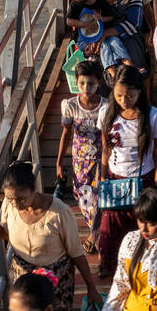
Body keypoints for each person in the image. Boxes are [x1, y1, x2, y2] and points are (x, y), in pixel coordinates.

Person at [0, 160, 100, 311]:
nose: (16, 204)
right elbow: (6, 232)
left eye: (21, 199)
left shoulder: (59, 213)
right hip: (24, 276)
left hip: (56, 280)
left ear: (34, 189)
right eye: (11, 199)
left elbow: (76, 254)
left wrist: (92, 287)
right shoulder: (10, 206)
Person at [96, 66, 157, 279]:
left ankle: (141, 269)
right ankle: (108, 266)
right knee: (109, 228)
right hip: (115, 180)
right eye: (119, 95)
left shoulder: (153, 117)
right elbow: (105, 150)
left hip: (143, 180)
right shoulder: (106, 113)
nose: (124, 100)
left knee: (142, 228)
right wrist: (102, 177)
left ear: (140, 92)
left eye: (130, 95)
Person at [56, 57, 104, 252]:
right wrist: (59, 162)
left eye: (91, 83)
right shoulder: (70, 105)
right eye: (82, 83)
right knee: (84, 198)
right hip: (80, 161)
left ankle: (95, 234)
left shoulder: (106, 106)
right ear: (76, 83)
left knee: (100, 196)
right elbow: (66, 133)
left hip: (102, 159)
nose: (86, 87)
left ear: (99, 83)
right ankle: (96, 229)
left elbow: (109, 137)